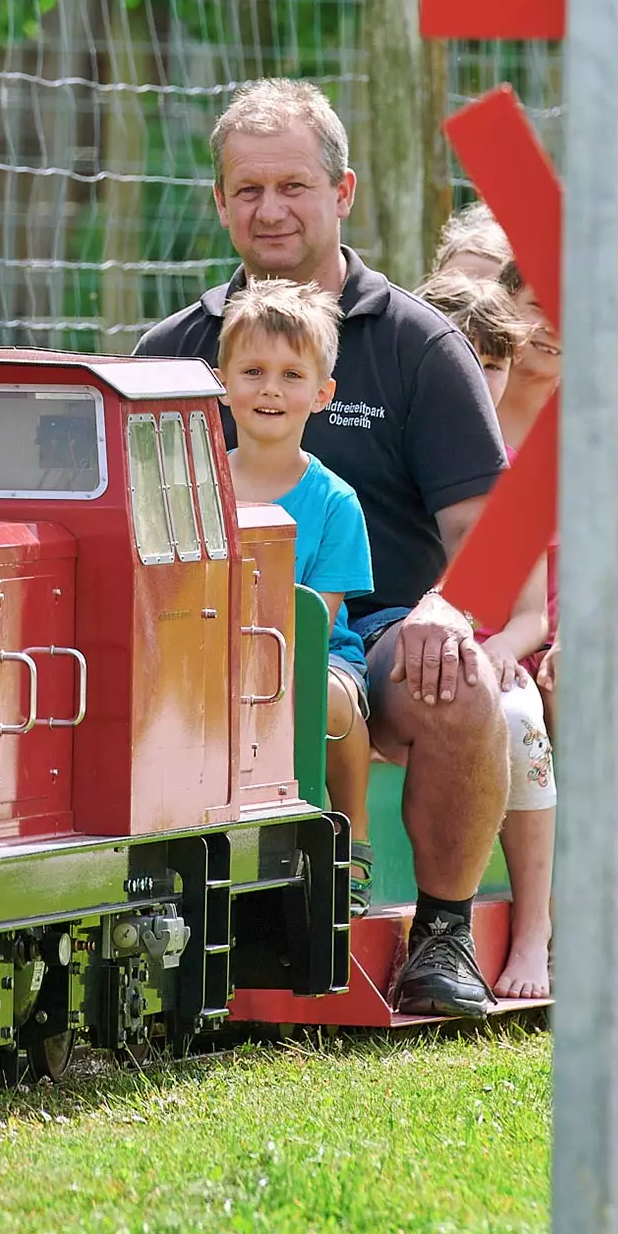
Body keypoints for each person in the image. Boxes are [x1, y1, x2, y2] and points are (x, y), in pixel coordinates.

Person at [137, 81, 512, 1016]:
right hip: (200, 626)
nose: (271, 210)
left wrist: (443, 609)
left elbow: (488, 535)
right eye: (248, 189)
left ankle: (441, 930)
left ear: (343, 192)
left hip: (375, 628)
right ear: (220, 202)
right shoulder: (172, 351)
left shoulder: (419, 345)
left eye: (294, 186)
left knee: (455, 679)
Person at [430, 218, 618, 991]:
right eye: (540, 304)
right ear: (505, 305)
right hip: (484, 630)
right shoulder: (459, 415)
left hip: (570, 632)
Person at [214, 279, 379, 915]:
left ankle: (353, 836)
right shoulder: (200, 486)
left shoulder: (335, 503)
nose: (271, 390)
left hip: (310, 654)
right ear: (223, 382)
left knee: (329, 700)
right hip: (210, 643)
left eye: (290, 374)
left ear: (322, 393)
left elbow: (319, 619)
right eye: (253, 371)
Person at [416, 272, 557, 1000]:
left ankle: (534, 927)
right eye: (457, 360)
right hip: (410, 647)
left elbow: (532, 611)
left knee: (520, 724)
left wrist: (504, 650)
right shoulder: (407, 452)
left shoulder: (512, 476)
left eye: (491, 364)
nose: (474, 379)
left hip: (496, 656)